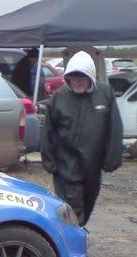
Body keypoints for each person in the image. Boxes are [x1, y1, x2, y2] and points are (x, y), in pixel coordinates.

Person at [40, 51, 123, 227]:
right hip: (66, 166)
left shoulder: (105, 94)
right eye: (73, 78)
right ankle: (73, 239)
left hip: (93, 166)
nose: (77, 82)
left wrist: (112, 158)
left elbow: (114, 128)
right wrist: (49, 162)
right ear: (67, 78)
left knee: (86, 207)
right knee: (72, 213)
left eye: (82, 78)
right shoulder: (59, 98)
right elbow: (47, 132)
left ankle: (77, 231)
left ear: (90, 77)